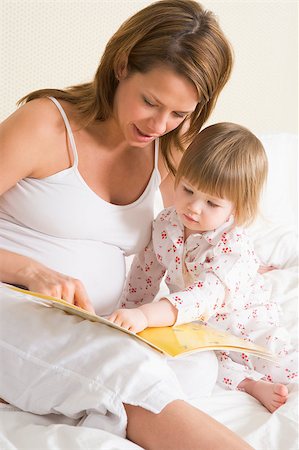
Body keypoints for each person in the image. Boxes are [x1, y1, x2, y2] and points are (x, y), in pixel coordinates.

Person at [0, 0, 256, 448]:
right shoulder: (44, 125)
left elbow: (216, 223)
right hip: (11, 300)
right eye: (150, 102)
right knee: (127, 374)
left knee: (196, 367)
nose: (159, 124)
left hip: (94, 322)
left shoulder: (171, 148)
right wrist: (27, 271)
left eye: (179, 114)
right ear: (121, 66)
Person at [109, 122, 298, 414]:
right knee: (199, 364)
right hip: (196, 326)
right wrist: (128, 315)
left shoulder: (233, 246)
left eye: (211, 202)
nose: (194, 208)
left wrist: (147, 315)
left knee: (277, 357)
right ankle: (249, 385)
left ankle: (257, 379)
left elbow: (203, 296)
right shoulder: (165, 225)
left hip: (242, 321)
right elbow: (144, 275)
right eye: (187, 190)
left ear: (237, 208)